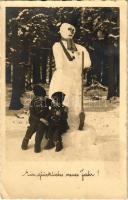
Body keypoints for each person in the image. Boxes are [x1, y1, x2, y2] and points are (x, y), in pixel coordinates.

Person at [49, 23, 91, 128]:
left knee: (76, 103)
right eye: (68, 29)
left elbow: (87, 63)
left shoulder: (81, 48)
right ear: (62, 31)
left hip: (76, 79)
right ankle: (58, 128)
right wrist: (75, 63)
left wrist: (77, 61)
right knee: (62, 103)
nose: (71, 32)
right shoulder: (57, 46)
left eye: (72, 30)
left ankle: (76, 125)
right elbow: (60, 64)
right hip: (62, 79)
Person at [21, 85, 51, 153]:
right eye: (40, 97)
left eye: (43, 96)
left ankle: (37, 144)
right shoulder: (33, 102)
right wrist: (40, 119)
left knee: (40, 127)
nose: (42, 98)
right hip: (34, 119)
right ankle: (26, 139)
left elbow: (55, 104)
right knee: (32, 126)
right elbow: (32, 114)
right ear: (36, 96)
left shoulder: (46, 101)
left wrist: (64, 107)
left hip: (43, 120)